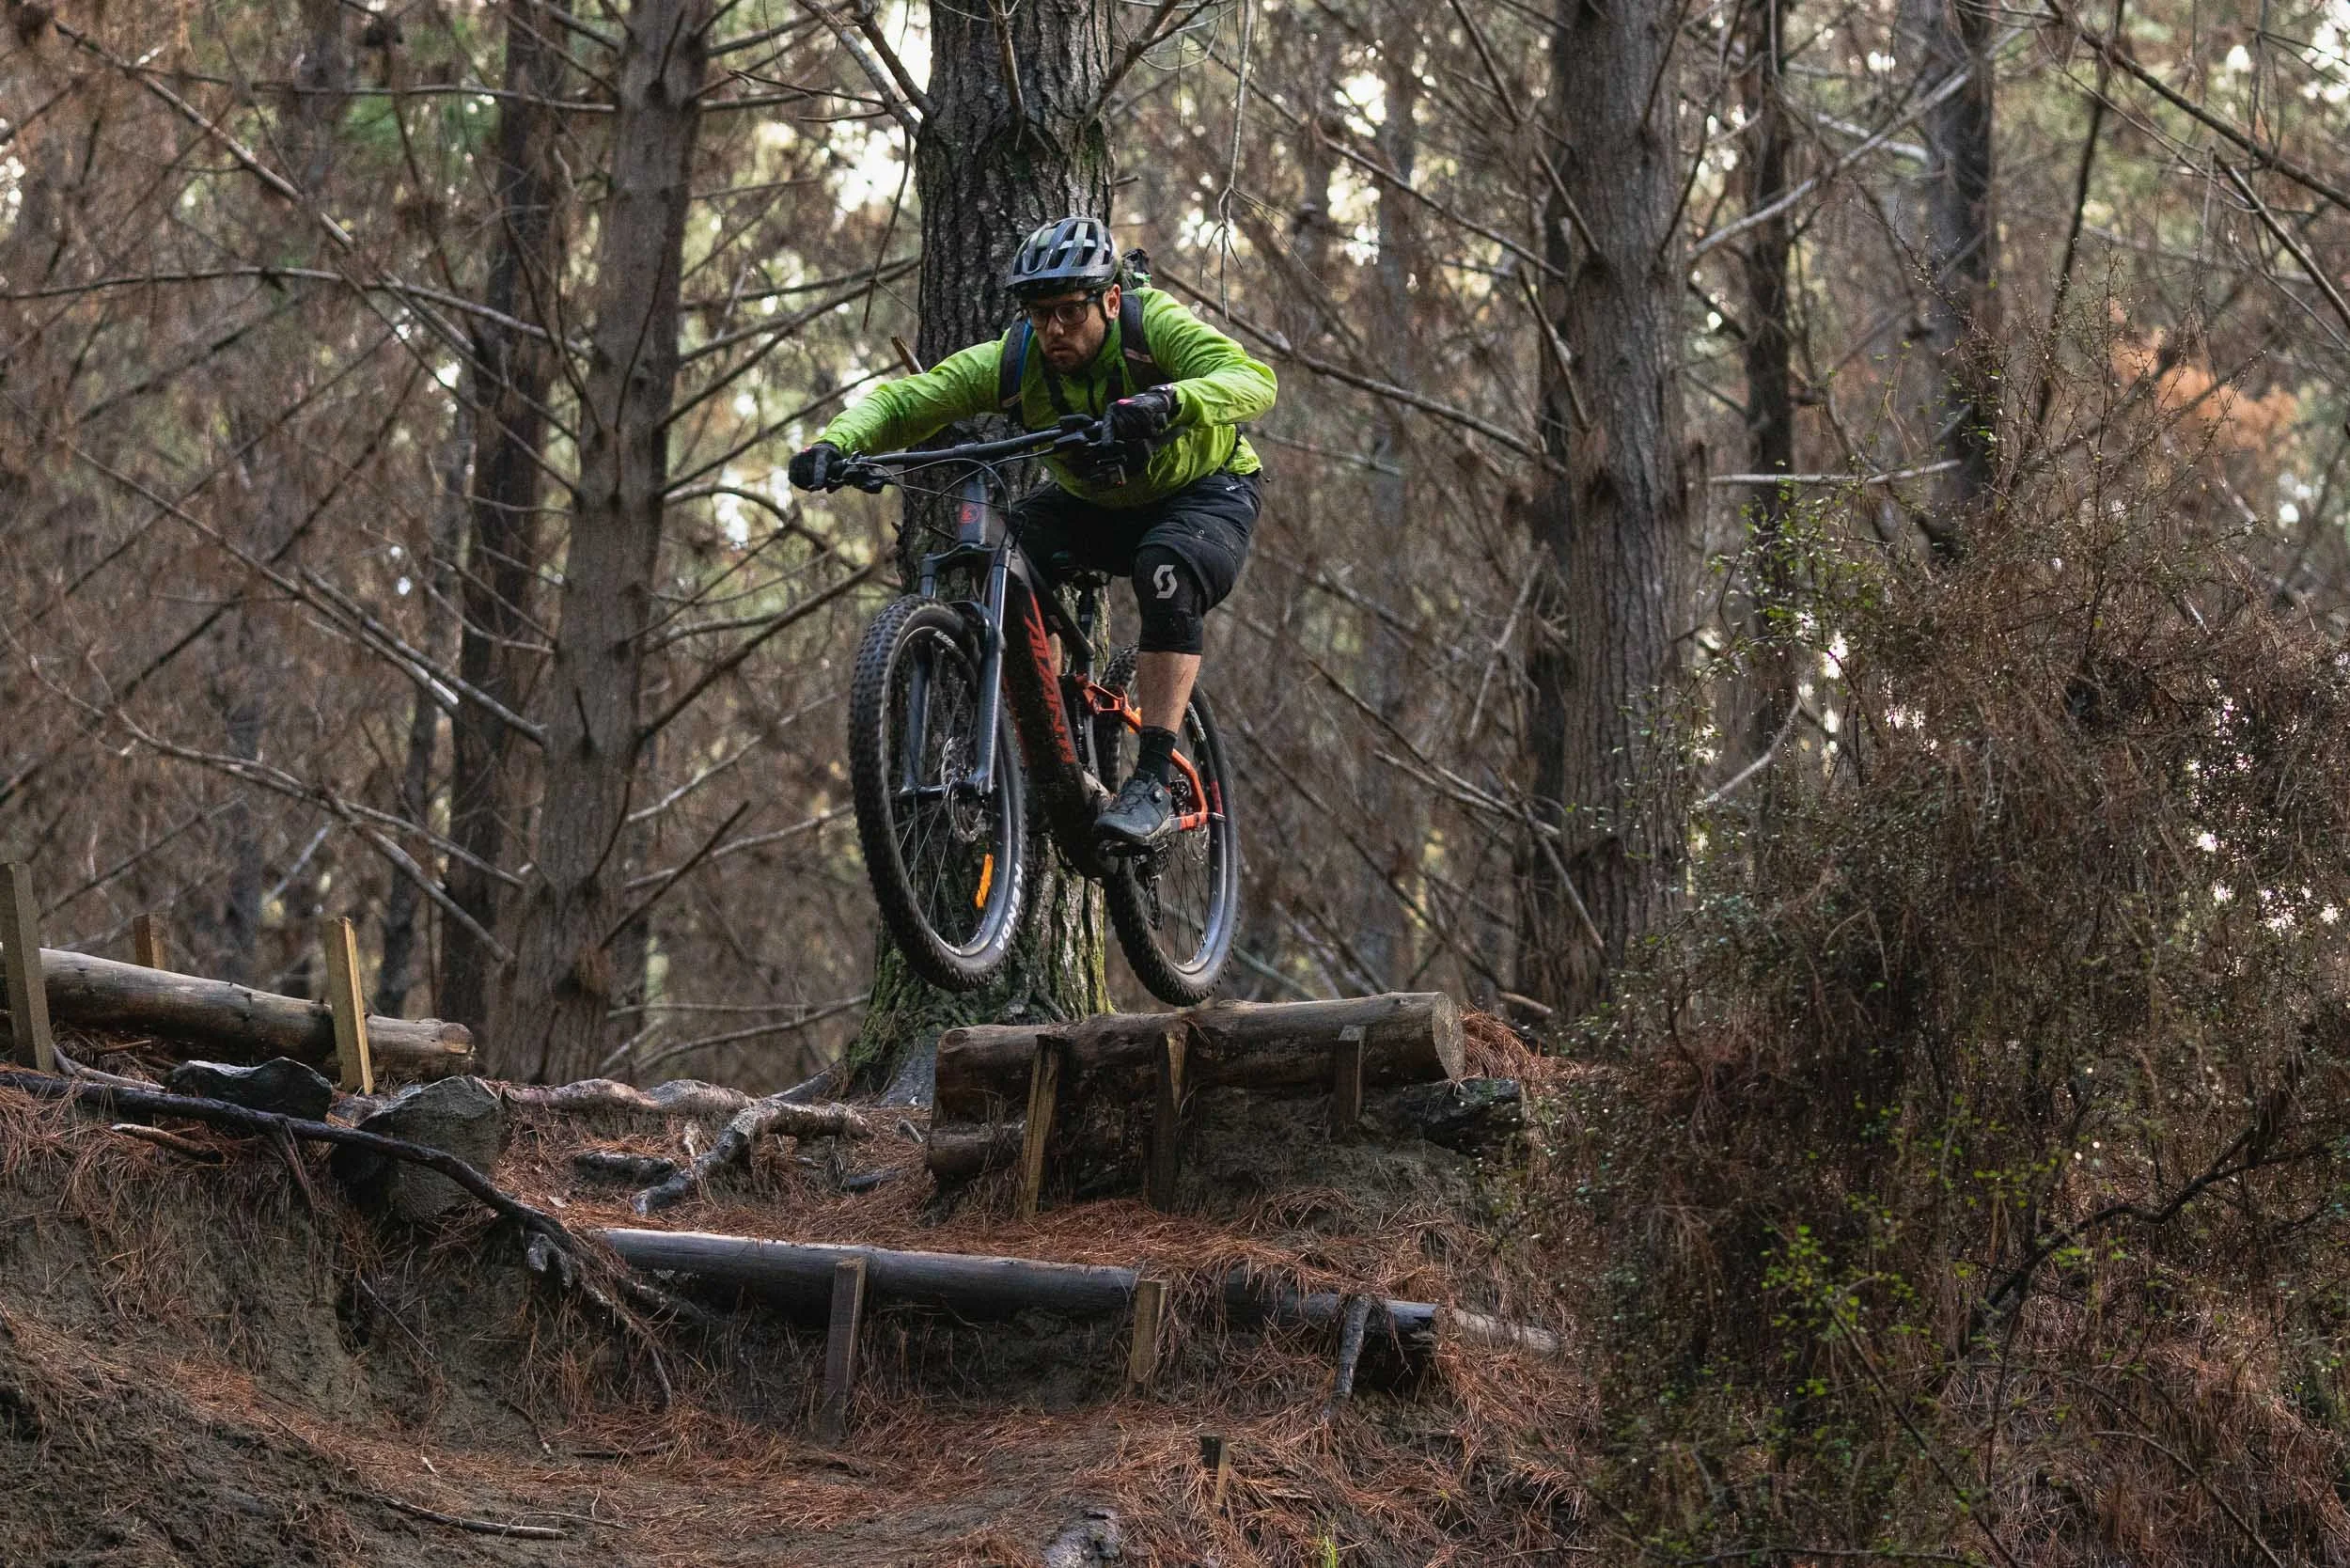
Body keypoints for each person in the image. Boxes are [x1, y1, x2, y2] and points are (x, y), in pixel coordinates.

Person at [788, 215, 1277, 850]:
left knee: (1167, 569)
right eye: (1040, 313)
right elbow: (912, 401)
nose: (1054, 329)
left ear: (1110, 299)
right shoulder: (1016, 360)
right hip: (1092, 503)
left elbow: (1254, 381)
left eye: (1071, 311)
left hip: (1205, 490)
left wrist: (1165, 402)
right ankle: (1046, 754)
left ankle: (1152, 780)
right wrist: (836, 443)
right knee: (1003, 561)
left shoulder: (1151, 327)